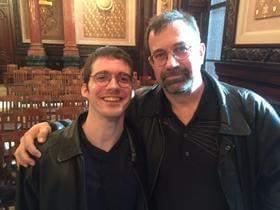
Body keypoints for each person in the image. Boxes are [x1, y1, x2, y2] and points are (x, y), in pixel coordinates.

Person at [15, 10, 280, 210]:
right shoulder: (141, 106)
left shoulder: (251, 112)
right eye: (161, 55)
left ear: (200, 51)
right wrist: (51, 130)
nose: (172, 63)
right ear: (152, 63)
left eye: (181, 49)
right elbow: (99, 123)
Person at [16, 46, 148, 210]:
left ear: (132, 91)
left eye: (123, 79)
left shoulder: (146, 149)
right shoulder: (41, 153)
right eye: (102, 77)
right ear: (85, 89)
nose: (114, 86)